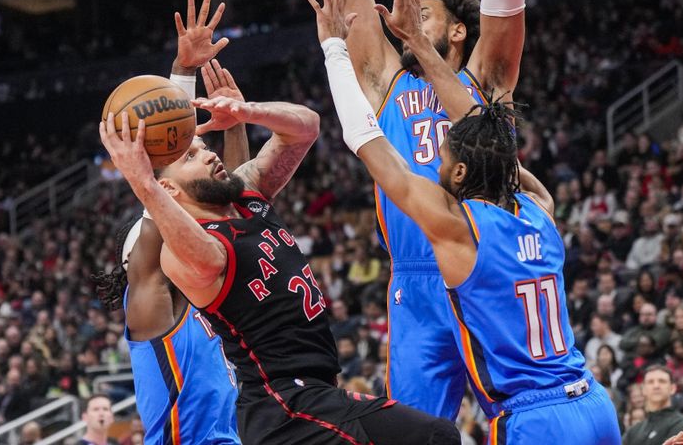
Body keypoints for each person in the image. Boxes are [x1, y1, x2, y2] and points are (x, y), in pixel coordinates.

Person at [309, 0, 618, 443]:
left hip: (532, 417)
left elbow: (367, 142)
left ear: (456, 177)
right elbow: (504, 161)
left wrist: (334, 50)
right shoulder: (540, 211)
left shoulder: (457, 229)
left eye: (444, 156)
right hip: (590, 401)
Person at [98, 79, 460, 442]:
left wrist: (247, 112)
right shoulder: (182, 254)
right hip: (284, 407)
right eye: (191, 157)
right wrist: (142, 181)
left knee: (435, 435)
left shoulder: (247, 194)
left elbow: (306, 128)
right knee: (433, 437)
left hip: (312, 394)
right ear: (169, 190)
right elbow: (208, 260)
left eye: (204, 146)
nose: (209, 154)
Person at [325, 0, 525, 419]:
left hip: (487, 268)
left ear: (459, 29)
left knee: (516, 420)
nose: (402, 16)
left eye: (424, 14)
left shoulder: (487, 77)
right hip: (413, 285)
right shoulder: (388, 82)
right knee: (417, 432)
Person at [93, 0, 241, 445]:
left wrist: (233, 123)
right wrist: (182, 76)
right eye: (191, 152)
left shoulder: (203, 288)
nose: (205, 151)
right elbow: (159, 200)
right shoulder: (155, 305)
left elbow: (229, 200)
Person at [621, 366, 683, 444]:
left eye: (662, 381)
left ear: (673, 388)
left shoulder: (682, 424)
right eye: (650, 382)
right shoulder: (633, 431)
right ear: (643, 389)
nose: (656, 386)